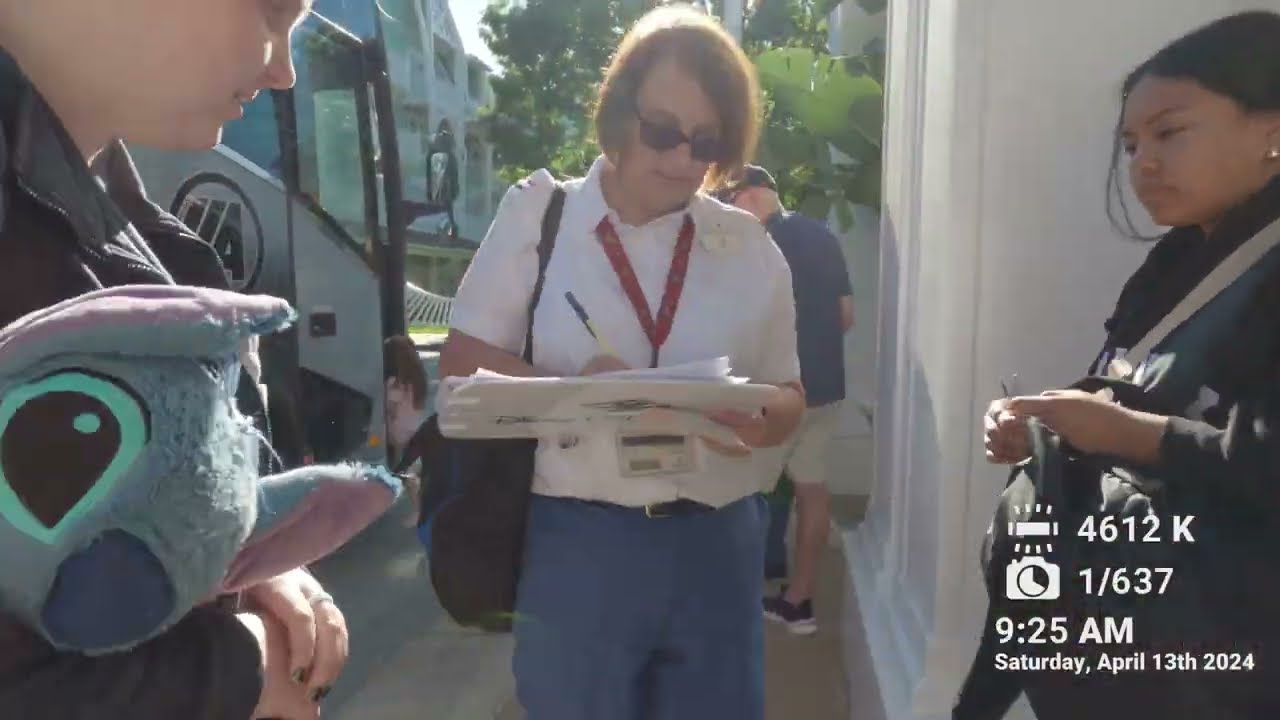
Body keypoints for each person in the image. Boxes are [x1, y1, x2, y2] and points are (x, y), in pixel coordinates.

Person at [437, 5, 804, 718]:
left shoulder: (750, 248)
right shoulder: (541, 216)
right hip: (581, 540)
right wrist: (579, 389)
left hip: (718, 544)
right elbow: (462, 364)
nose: (679, 160)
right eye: (662, 131)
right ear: (617, 112)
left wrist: (758, 419)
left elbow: (790, 393)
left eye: (705, 143)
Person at [0, 1, 350, 719]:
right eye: (273, 10)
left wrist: (241, 565)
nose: (283, 71)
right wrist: (239, 670)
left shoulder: (149, 236)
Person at [964, 10, 1280, 718]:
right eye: (1132, 143)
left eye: (1170, 132)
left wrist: (1125, 435)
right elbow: (1127, 395)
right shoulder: (1171, 264)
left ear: (1273, 132)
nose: (1144, 162)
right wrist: (1045, 428)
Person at [719, 164, 854, 635]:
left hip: (776, 394)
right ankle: (799, 602)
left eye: (729, 200)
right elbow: (846, 315)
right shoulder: (822, 236)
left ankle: (730, 604)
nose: (727, 210)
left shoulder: (751, 244)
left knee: (739, 497)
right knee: (812, 490)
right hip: (827, 390)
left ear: (750, 195)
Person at [384, 334, 428, 524]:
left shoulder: (395, 382)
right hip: (416, 427)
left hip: (401, 432)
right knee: (408, 470)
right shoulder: (417, 379)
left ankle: (420, 511)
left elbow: (390, 405)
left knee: (407, 473)